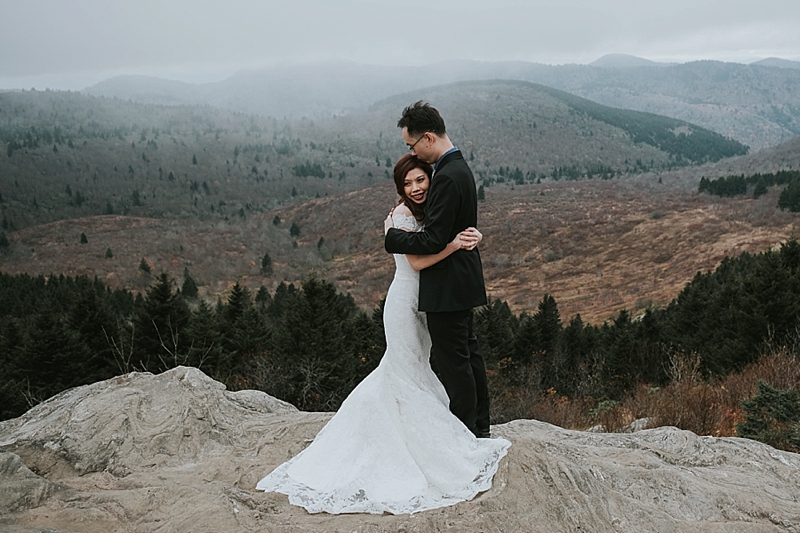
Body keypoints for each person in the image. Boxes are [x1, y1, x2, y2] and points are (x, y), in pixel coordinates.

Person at [256, 155, 510, 515]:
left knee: (419, 370)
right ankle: (398, 443)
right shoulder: (400, 218)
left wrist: (471, 235)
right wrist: (455, 244)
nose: (416, 188)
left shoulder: (427, 214)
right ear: (400, 189)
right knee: (403, 371)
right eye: (408, 184)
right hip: (405, 303)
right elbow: (417, 262)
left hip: (428, 301)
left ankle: (423, 433)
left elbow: (446, 231)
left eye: (421, 180)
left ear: (431, 180)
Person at [384, 101, 491, 439]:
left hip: (447, 287)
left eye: (411, 145)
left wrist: (393, 237)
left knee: (455, 364)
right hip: (460, 282)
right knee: (468, 357)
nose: (412, 151)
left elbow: (431, 240)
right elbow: (458, 227)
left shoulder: (445, 176)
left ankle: (465, 434)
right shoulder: (460, 167)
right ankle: (480, 427)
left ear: (427, 138)